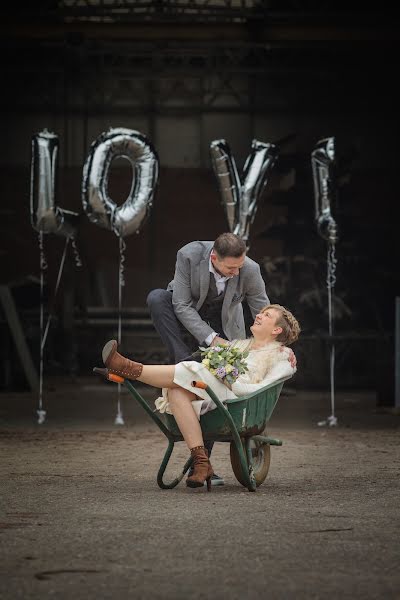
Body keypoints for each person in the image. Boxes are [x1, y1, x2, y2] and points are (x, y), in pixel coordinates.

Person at [100, 303, 300, 491]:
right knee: (177, 390)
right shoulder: (238, 346)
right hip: (215, 394)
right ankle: (202, 462)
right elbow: (216, 368)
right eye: (261, 312)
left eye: (267, 315)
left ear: (276, 330)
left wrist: (230, 379)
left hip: (237, 401)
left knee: (193, 369)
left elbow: (262, 390)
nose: (258, 315)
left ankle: (128, 368)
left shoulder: (282, 356)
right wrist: (220, 369)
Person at [146, 233, 271, 485]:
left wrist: (272, 347)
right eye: (230, 268)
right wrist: (211, 340)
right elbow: (181, 305)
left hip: (224, 327)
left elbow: (263, 309)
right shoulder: (189, 255)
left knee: (213, 384)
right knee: (157, 298)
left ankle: (202, 464)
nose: (236, 273)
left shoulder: (249, 269)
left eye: (240, 266)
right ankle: (183, 362)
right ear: (214, 257)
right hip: (187, 320)